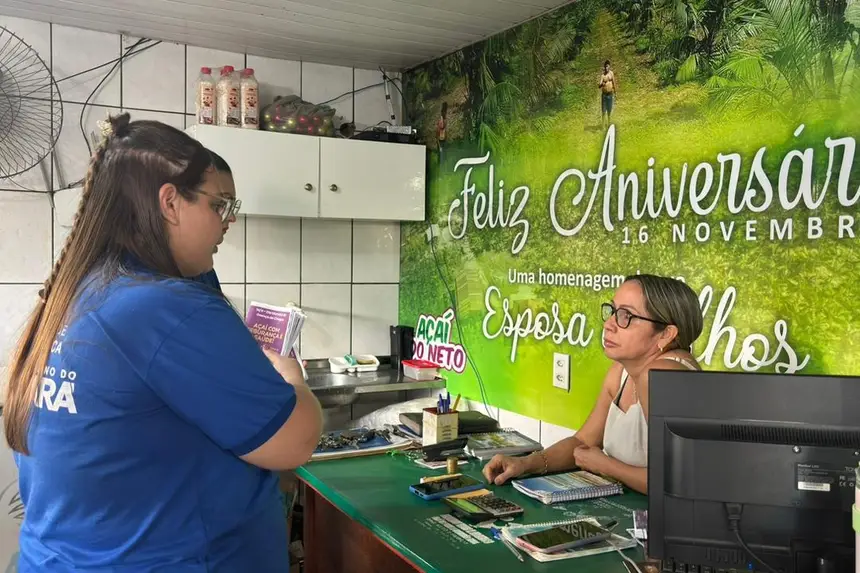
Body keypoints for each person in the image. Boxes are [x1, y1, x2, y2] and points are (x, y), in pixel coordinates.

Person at [3, 113, 324, 572]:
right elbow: (294, 442)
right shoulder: (165, 308)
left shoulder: (75, 295)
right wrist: (293, 380)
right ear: (170, 202)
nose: (227, 224)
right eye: (219, 207)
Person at [482, 274, 703, 495]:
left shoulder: (662, 374)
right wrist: (525, 464)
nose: (609, 325)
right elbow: (583, 441)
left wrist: (606, 466)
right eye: (613, 311)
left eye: (626, 316)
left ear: (666, 334)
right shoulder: (621, 372)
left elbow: (677, 481)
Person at [192, 150, 236, 293]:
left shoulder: (203, 272)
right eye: (218, 205)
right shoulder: (148, 294)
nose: (231, 218)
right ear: (170, 204)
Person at [599, 60, 617, 128]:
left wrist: (615, 92)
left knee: (609, 110)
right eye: (605, 66)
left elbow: (614, 82)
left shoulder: (611, 73)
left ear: (609, 66)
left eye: (607, 66)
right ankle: (603, 125)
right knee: (603, 111)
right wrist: (602, 84)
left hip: (610, 94)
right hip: (604, 95)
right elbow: (599, 85)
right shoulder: (603, 76)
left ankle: (609, 123)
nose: (606, 67)